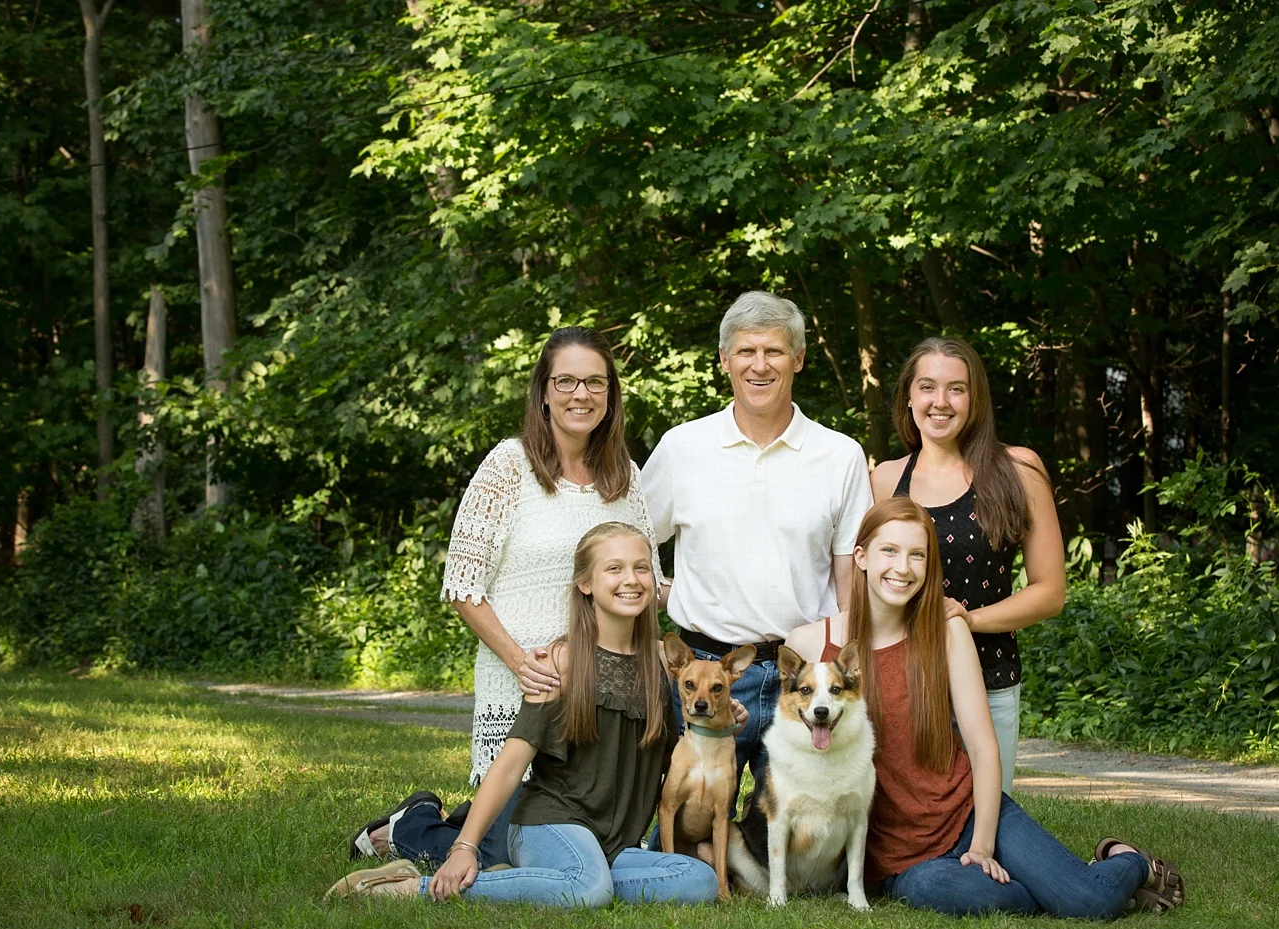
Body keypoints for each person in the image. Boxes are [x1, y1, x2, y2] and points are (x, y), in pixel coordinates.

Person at [782, 498, 1184, 918]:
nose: (902, 567)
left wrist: (982, 846)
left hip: (969, 812)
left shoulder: (946, 631)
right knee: (949, 889)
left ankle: (1130, 860)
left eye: (917, 554)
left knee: (1090, 901)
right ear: (861, 557)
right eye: (889, 550)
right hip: (905, 861)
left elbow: (982, 747)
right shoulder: (811, 644)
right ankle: (1058, 888)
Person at [327, 522, 721, 907]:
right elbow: (512, 762)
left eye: (641, 567)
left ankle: (543, 881)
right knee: (587, 888)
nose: (631, 579)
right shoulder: (561, 662)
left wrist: (719, 720)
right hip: (549, 823)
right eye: (614, 568)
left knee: (697, 880)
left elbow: (675, 755)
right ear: (586, 583)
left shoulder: (664, 664)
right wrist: (464, 846)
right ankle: (406, 887)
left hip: (616, 844)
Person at [426, 327, 661, 867]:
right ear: (544, 392)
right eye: (566, 381)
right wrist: (520, 663)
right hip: (529, 680)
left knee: (569, 831)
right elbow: (463, 583)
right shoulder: (509, 466)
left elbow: (645, 580)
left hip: (599, 691)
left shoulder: (625, 475)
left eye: (595, 382)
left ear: (610, 394)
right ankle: (412, 827)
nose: (582, 394)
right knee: (502, 848)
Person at [641, 290, 873, 801]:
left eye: (774, 351)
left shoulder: (840, 456)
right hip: (710, 673)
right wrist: (661, 599)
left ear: (799, 358)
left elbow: (850, 588)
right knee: (688, 838)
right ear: (724, 359)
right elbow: (629, 545)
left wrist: (842, 677)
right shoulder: (683, 448)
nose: (760, 365)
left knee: (804, 834)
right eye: (746, 351)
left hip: (803, 678)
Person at [870, 337, 1065, 794]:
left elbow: (1050, 591)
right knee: (909, 825)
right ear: (909, 397)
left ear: (975, 399)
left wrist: (966, 619)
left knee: (989, 822)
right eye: (927, 387)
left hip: (990, 679)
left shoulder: (1019, 470)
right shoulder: (885, 479)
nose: (940, 401)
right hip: (905, 684)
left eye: (956, 388)